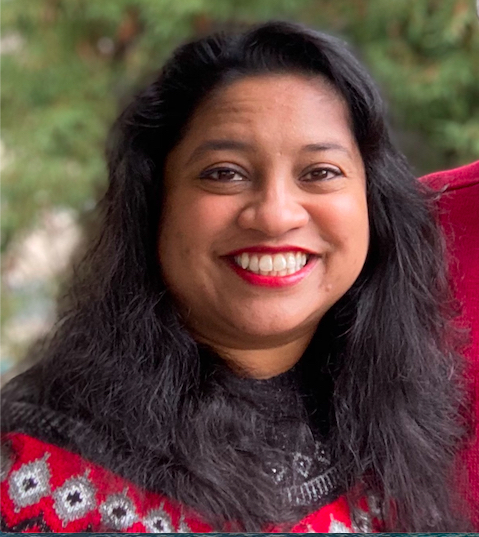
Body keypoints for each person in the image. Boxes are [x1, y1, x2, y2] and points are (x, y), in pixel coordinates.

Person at [0, 21, 472, 532]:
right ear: (155, 205)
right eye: (225, 172)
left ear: (373, 207)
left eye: (320, 173)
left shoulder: (408, 430)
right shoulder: (27, 466)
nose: (275, 216)